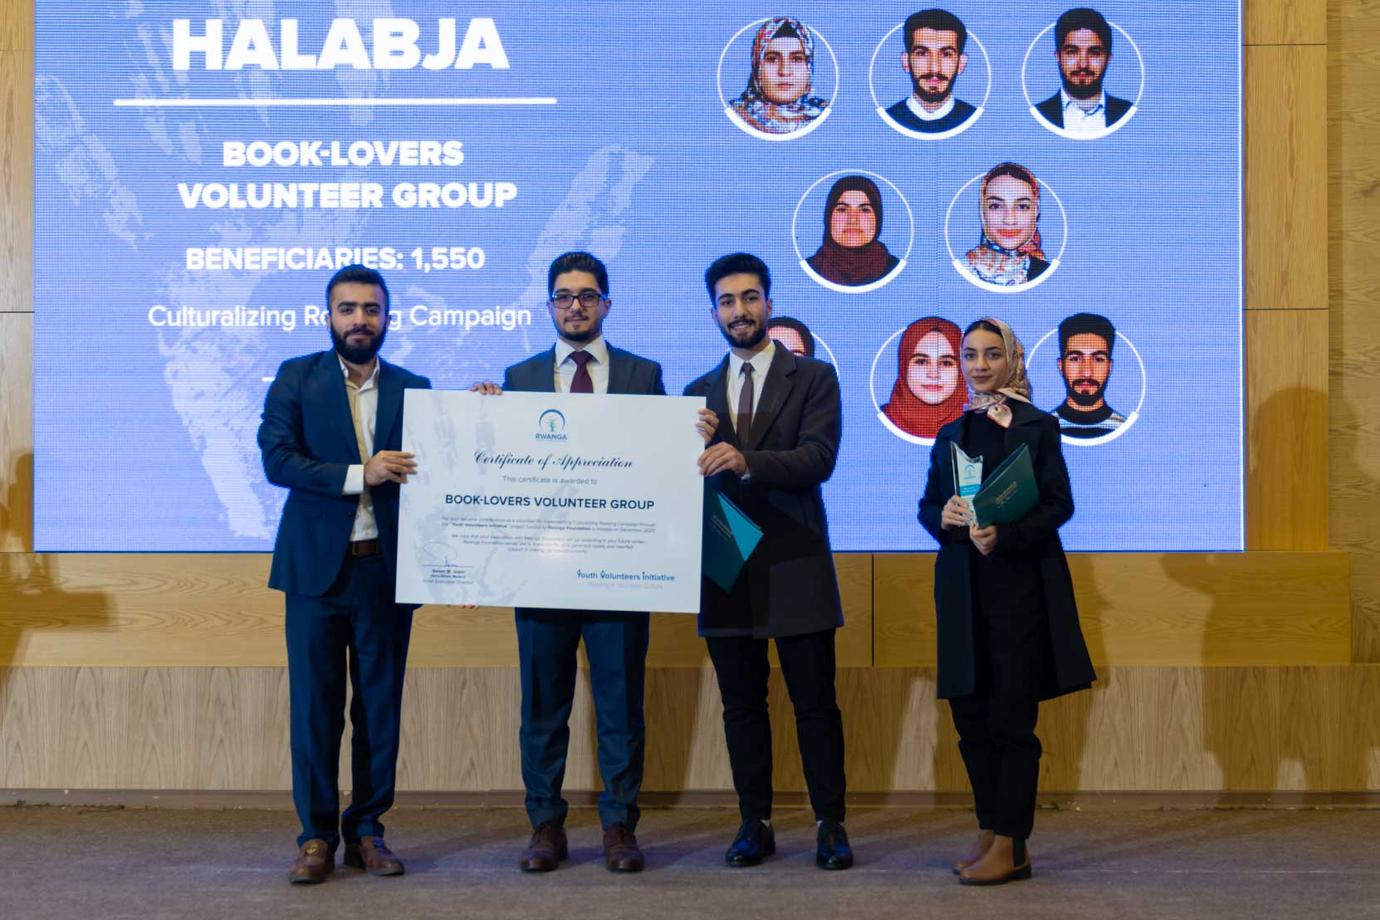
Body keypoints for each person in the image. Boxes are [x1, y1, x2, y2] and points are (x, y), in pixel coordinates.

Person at [470, 251, 716, 875]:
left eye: (586, 295)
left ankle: (619, 826)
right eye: (563, 296)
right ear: (550, 306)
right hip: (540, 570)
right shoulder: (519, 377)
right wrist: (480, 416)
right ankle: (545, 825)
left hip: (619, 568)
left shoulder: (642, 373)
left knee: (620, 706)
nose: (574, 306)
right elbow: (496, 468)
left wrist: (694, 434)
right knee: (542, 707)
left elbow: (661, 465)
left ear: (607, 303)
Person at [258, 265, 432, 885]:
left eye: (371, 309)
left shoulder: (415, 388)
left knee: (379, 709)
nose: (360, 320)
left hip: (385, 571)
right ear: (328, 316)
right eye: (348, 309)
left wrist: (482, 408)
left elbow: (448, 466)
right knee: (315, 710)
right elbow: (278, 460)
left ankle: (367, 832)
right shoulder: (296, 377)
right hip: (315, 574)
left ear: (387, 317)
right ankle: (315, 837)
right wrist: (363, 473)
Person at [685, 252, 852, 871]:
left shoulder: (814, 377)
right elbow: (679, 481)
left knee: (816, 704)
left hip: (796, 561)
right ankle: (753, 822)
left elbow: (819, 458)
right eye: (727, 301)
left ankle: (830, 824)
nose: (740, 310)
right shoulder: (695, 396)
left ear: (769, 304)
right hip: (726, 564)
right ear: (714, 313)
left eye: (750, 298)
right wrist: (686, 445)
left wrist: (744, 459)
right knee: (741, 707)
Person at [917, 317, 1095, 886]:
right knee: (971, 721)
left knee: (1011, 721)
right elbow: (927, 506)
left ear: (1012, 359)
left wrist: (1007, 535)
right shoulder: (952, 431)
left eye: (992, 354)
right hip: (961, 592)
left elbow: (1059, 505)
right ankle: (990, 829)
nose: (979, 365)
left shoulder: (1039, 426)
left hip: (1018, 592)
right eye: (969, 355)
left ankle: (1014, 844)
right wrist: (942, 517)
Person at [1034, 8, 1133, 136]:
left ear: (1108, 58)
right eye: (1072, 52)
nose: (1083, 64)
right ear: (1058, 56)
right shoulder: (1039, 113)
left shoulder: (1127, 113)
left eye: (1094, 53)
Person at [729, 17, 830, 136]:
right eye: (772, 59)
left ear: (809, 66)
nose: (785, 71)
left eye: (797, 59)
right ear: (757, 66)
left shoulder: (824, 113)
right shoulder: (736, 115)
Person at [884, 9, 979, 135]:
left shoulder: (974, 118)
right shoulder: (889, 118)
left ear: (961, 63)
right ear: (906, 61)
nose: (934, 68)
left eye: (946, 54)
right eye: (922, 53)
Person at [963, 163, 1051, 288]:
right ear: (982, 212)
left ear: (1036, 211)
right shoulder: (963, 269)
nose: (1009, 219)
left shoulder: (1045, 272)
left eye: (1022, 206)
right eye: (996, 206)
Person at [807, 175, 901, 288]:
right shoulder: (810, 268)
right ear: (828, 217)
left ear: (878, 218)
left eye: (864, 210)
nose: (853, 220)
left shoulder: (895, 268)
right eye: (842, 209)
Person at [881, 317, 967, 440]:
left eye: (946, 363)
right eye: (921, 362)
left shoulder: (980, 426)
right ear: (904, 366)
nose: (933, 374)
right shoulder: (874, 423)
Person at [1054, 312, 1126, 438]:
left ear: (1109, 367)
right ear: (1061, 366)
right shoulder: (1042, 429)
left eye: (1098, 359)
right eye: (1075, 359)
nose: (1086, 372)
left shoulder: (1125, 429)